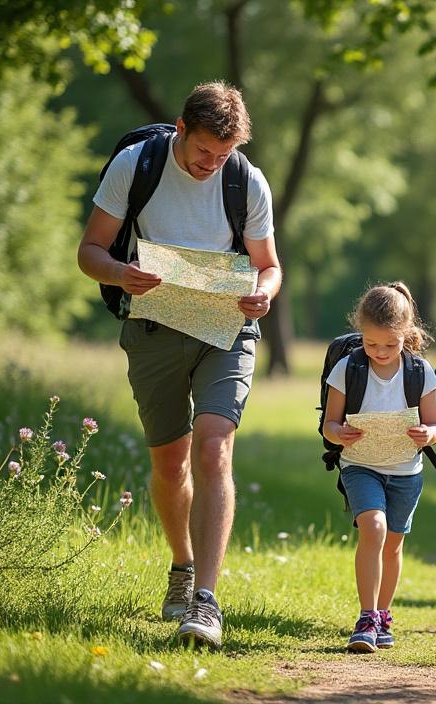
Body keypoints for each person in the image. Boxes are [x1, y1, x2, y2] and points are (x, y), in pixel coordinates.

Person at [77, 81, 281, 648]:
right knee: (171, 464)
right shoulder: (135, 164)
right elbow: (90, 250)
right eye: (202, 154)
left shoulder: (245, 180)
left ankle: (206, 603)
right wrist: (121, 273)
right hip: (152, 327)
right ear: (180, 129)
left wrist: (264, 293)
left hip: (226, 329)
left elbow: (268, 265)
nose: (212, 166)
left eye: (224, 156)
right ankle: (182, 565)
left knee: (214, 445)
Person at [322, 283, 436, 654]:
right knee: (372, 529)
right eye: (371, 344)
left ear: (406, 335)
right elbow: (328, 424)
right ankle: (367, 616)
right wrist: (339, 433)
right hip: (360, 465)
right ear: (361, 334)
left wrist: (428, 434)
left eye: (390, 345)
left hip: (407, 471)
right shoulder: (349, 367)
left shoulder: (420, 371)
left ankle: (384, 614)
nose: (380, 352)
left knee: (392, 545)